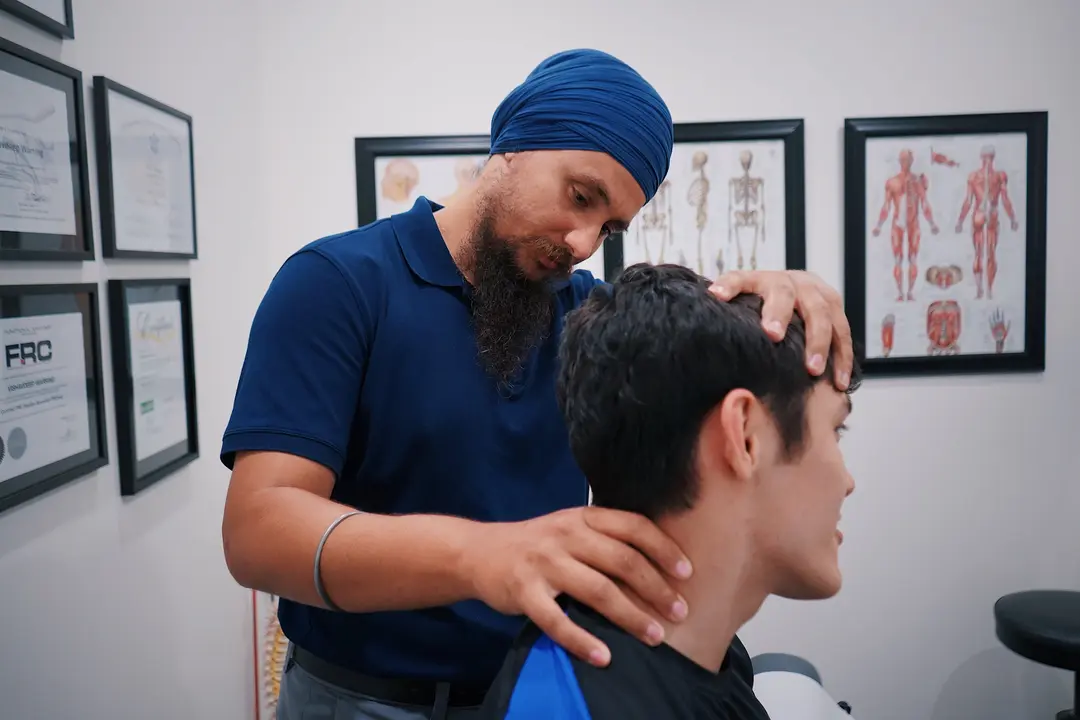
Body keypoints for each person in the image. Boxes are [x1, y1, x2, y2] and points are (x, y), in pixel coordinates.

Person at [220, 48, 855, 720]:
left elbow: (708, 351)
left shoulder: (581, 310)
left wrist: (786, 291)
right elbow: (259, 532)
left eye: (610, 226)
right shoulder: (339, 285)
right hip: (361, 700)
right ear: (512, 147)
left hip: (536, 686)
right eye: (581, 196)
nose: (584, 242)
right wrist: (483, 556)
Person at [478, 263, 861, 719]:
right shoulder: (570, 703)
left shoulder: (712, 656)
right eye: (836, 430)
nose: (847, 482)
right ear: (745, 436)